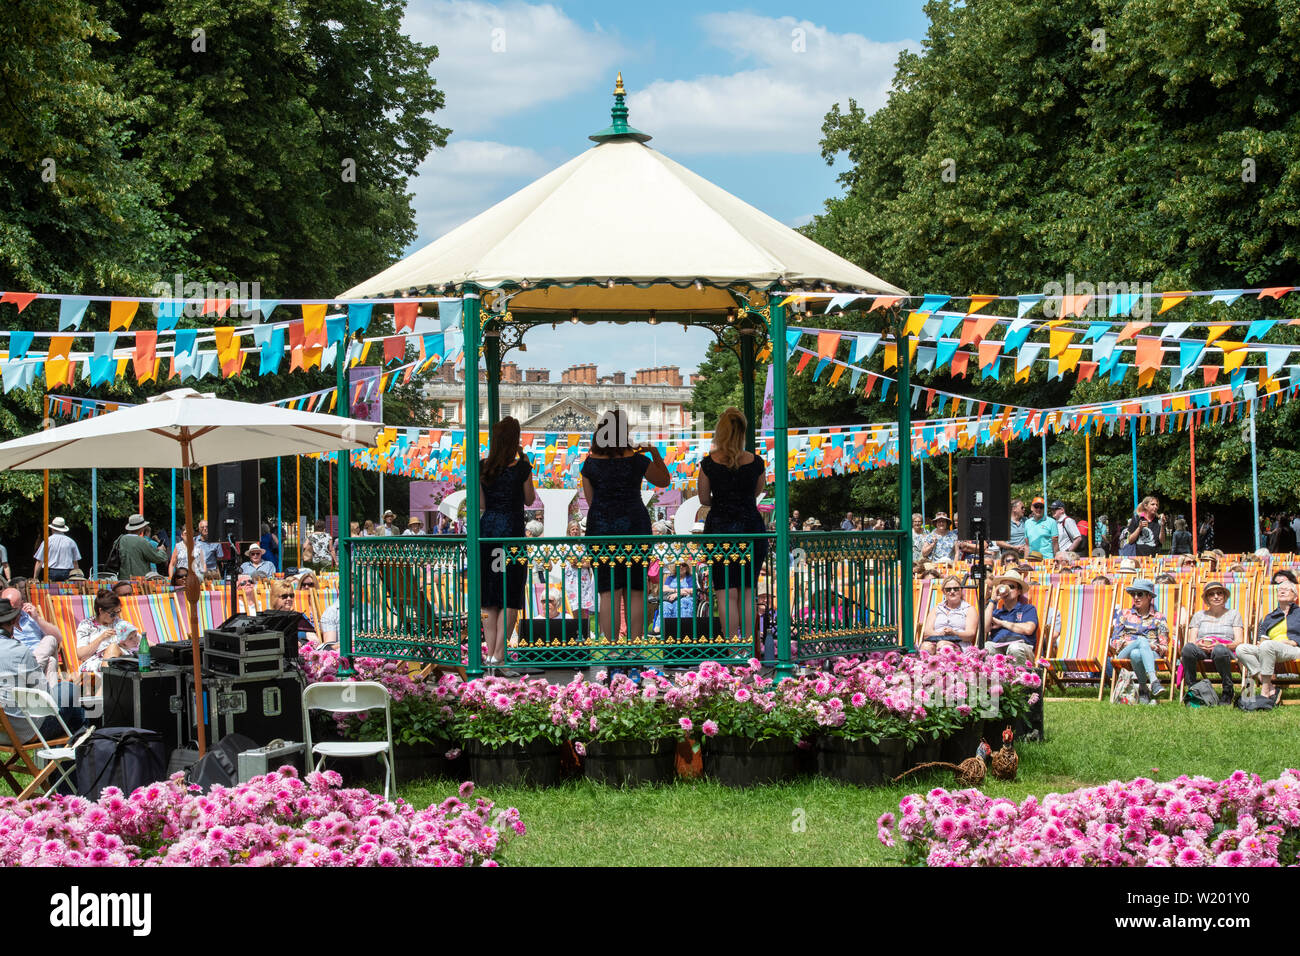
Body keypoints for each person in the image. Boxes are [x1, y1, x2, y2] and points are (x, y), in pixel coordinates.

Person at [581, 409, 670, 643]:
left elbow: (591, 501)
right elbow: (664, 480)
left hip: (601, 527)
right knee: (636, 589)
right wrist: (653, 453)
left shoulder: (590, 464)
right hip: (634, 525)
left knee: (608, 592)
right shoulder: (637, 460)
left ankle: (612, 649)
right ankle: (635, 646)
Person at [698, 408, 768, 640]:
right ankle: (750, 646)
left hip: (720, 529)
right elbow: (757, 492)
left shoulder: (709, 463)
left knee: (726, 592)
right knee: (748, 591)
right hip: (751, 528)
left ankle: (732, 647)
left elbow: (704, 499)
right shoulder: (756, 462)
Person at [479, 417, 537, 672]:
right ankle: (500, 656)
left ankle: (490, 654)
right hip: (512, 532)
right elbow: (529, 499)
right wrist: (525, 465)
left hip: (488, 531)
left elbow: (481, 503)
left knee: (491, 599)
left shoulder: (482, 466)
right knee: (511, 597)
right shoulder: (521, 466)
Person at [0, 598, 84, 747]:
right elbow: (45, 697)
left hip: (3, 732)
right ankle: (79, 752)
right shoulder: (19, 651)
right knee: (69, 690)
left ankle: (74, 752)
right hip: (22, 733)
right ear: (13, 622)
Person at [1236, 578, 1300, 704]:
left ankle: (1265, 692)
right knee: (1241, 649)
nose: (1282, 591)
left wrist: (1293, 642)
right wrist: (1261, 643)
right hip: (1269, 650)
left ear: (1295, 597)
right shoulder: (1270, 616)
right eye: (1280, 590)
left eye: (1287, 590)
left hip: (1293, 649)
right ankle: (1270, 686)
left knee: (1267, 645)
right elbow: (1263, 638)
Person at [1108, 578, 1170, 704]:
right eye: (1133, 594)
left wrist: (1152, 647)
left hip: (1150, 653)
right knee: (1141, 641)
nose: (1136, 597)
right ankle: (1154, 681)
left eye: (1140, 594)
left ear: (1149, 597)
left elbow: (1164, 646)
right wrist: (1128, 643)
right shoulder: (1124, 614)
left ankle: (1143, 689)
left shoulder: (1159, 617)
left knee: (1136, 653)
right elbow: (1113, 641)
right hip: (1125, 652)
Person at [1180, 581, 1244, 704]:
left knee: (1219, 650)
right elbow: (1192, 641)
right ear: (1207, 599)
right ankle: (1193, 689)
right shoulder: (1199, 615)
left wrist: (1224, 645)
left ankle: (1227, 690)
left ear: (1225, 597)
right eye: (1211, 594)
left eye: (1219, 593)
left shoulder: (1233, 614)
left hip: (1224, 649)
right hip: (1202, 649)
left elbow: (1239, 641)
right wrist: (1199, 645)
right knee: (1187, 648)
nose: (1216, 596)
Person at [1, 585, 60, 686]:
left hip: (38, 660)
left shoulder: (31, 616)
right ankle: (36, 675)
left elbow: (58, 638)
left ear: (21, 604)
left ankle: (36, 672)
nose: (11, 611)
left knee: (51, 642)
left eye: (14, 607)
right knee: (51, 661)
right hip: (20, 662)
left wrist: (37, 619)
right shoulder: (4, 622)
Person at [74, 589, 141, 674]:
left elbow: (139, 638)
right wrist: (101, 638)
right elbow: (81, 655)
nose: (116, 616)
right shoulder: (87, 625)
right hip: (98, 663)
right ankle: (108, 682)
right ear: (101, 611)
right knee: (113, 647)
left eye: (118, 612)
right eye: (113, 614)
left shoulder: (119, 623)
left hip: (124, 661)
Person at [983, 570, 1038, 664]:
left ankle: (1020, 677)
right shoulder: (996, 612)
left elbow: (1028, 629)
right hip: (998, 647)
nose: (1007, 590)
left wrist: (1002, 623)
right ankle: (995, 678)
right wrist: (992, 600)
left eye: (1011, 587)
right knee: (985, 647)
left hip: (1021, 646)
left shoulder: (1027, 608)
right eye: (1004, 587)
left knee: (1014, 648)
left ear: (1019, 591)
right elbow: (984, 628)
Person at [922, 576, 977, 653]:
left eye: (956, 589)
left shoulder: (969, 609)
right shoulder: (937, 609)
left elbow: (970, 634)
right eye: (948, 589)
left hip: (959, 644)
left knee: (943, 646)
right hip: (936, 640)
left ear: (961, 590)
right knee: (925, 646)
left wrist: (954, 633)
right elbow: (927, 633)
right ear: (944, 592)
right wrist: (940, 634)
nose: (952, 591)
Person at [114, 515, 170, 579]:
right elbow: (157, 558)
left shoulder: (120, 539)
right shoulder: (142, 541)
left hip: (122, 578)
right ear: (141, 528)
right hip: (139, 579)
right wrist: (161, 550)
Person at [33, 517, 81, 582]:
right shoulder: (71, 542)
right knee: (66, 591)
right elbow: (75, 562)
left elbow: (39, 561)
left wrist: (35, 577)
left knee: (50, 591)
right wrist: (77, 576)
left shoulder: (47, 541)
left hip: (51, 571)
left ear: (52, 528)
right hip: (67, 572)